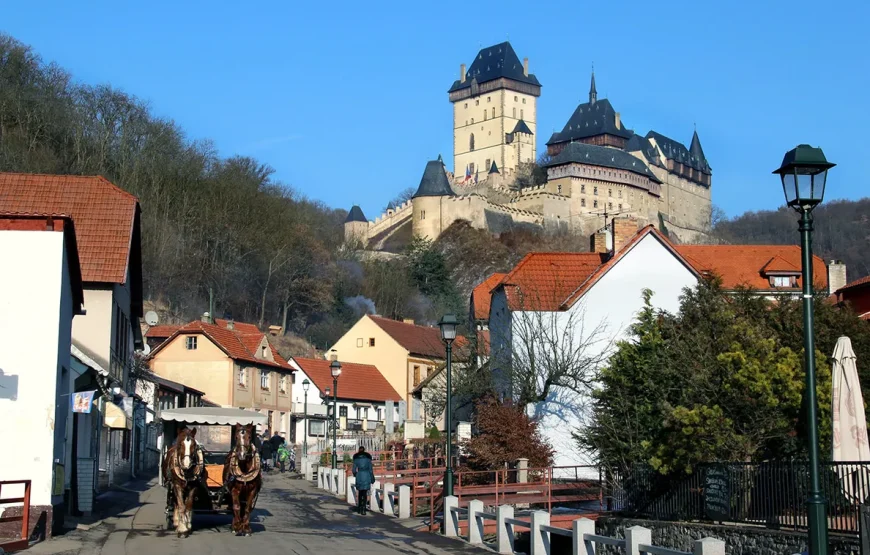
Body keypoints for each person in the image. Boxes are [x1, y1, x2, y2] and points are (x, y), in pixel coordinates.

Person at [352, 445, 374, 515]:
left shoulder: (356, 459)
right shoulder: (368, 459)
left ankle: (359, 508)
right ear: (364, 450)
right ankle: (364, 509)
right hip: (366, 475)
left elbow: (353, 470)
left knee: (360, 492)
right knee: (365, 493)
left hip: (359, 475)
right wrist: (372, 478)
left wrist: (356, 474)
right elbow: (371, 470)